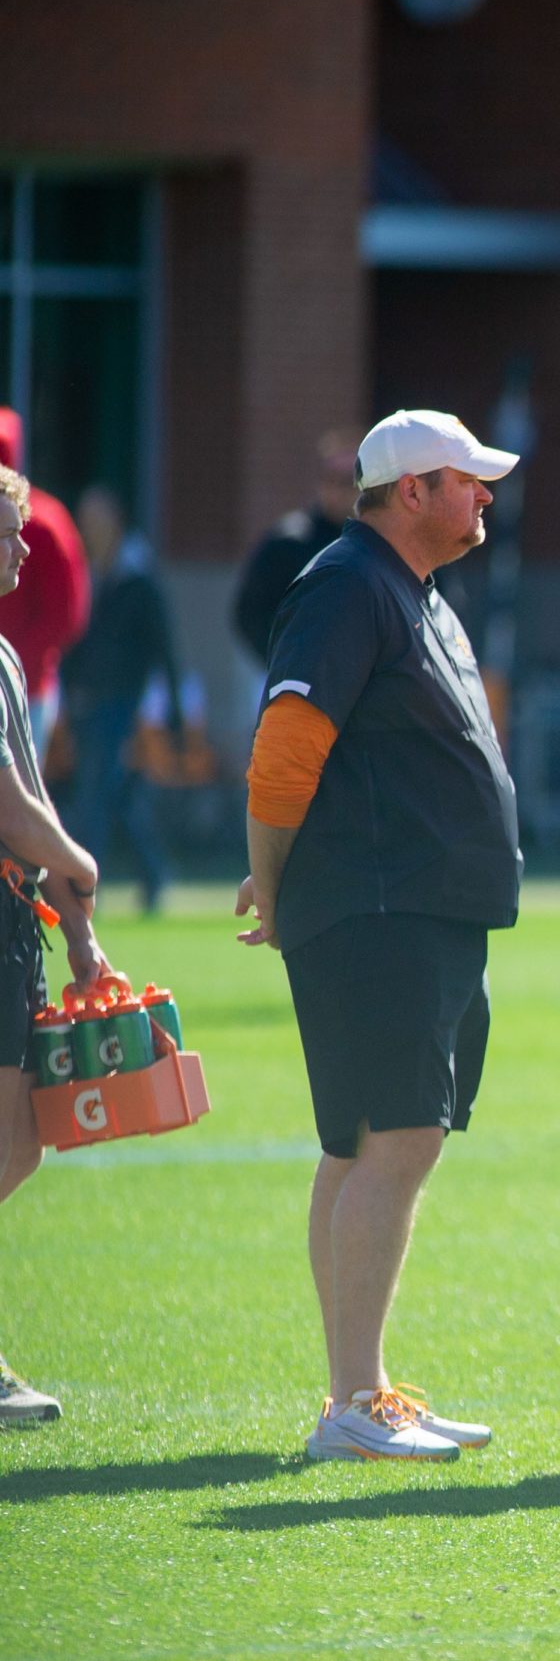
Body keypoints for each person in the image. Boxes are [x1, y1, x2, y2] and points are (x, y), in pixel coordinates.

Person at [234, 410, 523, 1462]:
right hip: (384, 908)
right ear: (412, 492)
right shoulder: (349, 582)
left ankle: (362, 1386)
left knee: (361, 1142)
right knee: (397, 1138)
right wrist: (271, 885)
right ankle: (354, 1400)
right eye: (468, 480)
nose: (485, 494)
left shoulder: (410, 588)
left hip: (417, 907)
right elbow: (284, 749)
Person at [0, 460, 112, 1426]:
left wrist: (76, 926)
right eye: (4, 531)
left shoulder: (4, 656)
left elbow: (29, 795)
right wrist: (77, 856)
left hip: (13, 916)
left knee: (21, 1138)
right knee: (11, 1136)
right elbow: (9, 806)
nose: (20, 547)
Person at [61, 486, 179, 915]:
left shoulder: (139, 577)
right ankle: (154, 873)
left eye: (97, 520)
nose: (89, 530)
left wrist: (175, 713)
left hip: (124, 703)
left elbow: (164, 647)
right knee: (120, 796)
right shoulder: (86, 572)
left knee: (94, 794)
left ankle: (87, 888)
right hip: (88, 701)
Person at [0, 409, 91, 761]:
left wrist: (15, 656)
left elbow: (65, 615)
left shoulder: (44, 520)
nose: (20, 549)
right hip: (28, 675)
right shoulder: (47, 518)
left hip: (26, 683)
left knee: (17, 791)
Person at [234, 429, 361, 665]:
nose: (342, 490)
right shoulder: (288, 541)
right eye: (332, 478)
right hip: (289, 673)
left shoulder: (374, 543)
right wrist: (286, 659)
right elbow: (250, 614)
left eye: (350, 482)